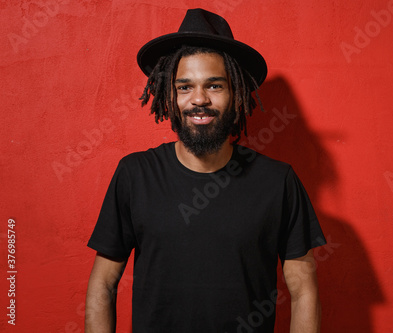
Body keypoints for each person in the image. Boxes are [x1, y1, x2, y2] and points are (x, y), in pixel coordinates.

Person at [85, 8, 326, 333]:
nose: (199, 99)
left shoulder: (277, 181)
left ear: (236, 93)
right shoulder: (135, 175)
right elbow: (103, 283)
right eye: (185, 87)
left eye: (214, 86)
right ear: (168, 95)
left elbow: (303, 290)